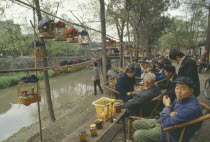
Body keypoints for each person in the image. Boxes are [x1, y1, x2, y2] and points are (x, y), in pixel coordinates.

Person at [132, 76, 203, 142]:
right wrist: (170, 112)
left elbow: (166, 123)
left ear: (191, 91)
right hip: (165, 122)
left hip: (171, 133)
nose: (179, 91)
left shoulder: (191, 109)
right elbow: (170, 111)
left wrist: (167, 105)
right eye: (177, 88)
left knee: (138, 135)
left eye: (183, 89)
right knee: (135, 123)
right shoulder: (182, 98)